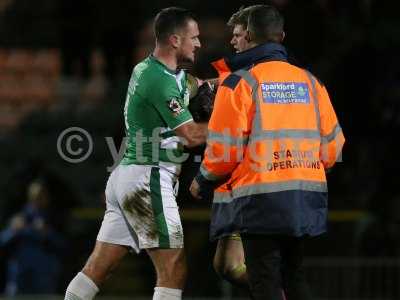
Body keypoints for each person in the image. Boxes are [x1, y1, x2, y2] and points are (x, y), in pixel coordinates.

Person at [191, 4, 345, 300]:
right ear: (281, 37)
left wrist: (202, 179)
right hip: (304, 197)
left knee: (266, 283)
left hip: (259, 201)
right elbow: (334, 147)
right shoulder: (312, 82)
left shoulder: (240, 82)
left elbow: (225, 150)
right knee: (294, 278)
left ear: (247, 35)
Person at [64, 7, 207, 300]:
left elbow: (191, 84)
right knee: (173, 267)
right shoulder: (160, 81)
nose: (199, 43)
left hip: (128, 177)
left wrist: (224, 84)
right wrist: (234, 129)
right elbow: (192, 136)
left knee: (97, 268)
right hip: (148, 176)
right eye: (194, 38)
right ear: (175, 40)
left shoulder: (152, 70)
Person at [0, 179, 66, 296]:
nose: (38, 200)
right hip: (20, 274)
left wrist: (47, 233)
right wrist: (13, 230)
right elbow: (3, 240)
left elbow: (64, 246)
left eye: (42, 196)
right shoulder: (20, 216)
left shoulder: (55, 217)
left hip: (44, 275)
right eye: (35, 196)